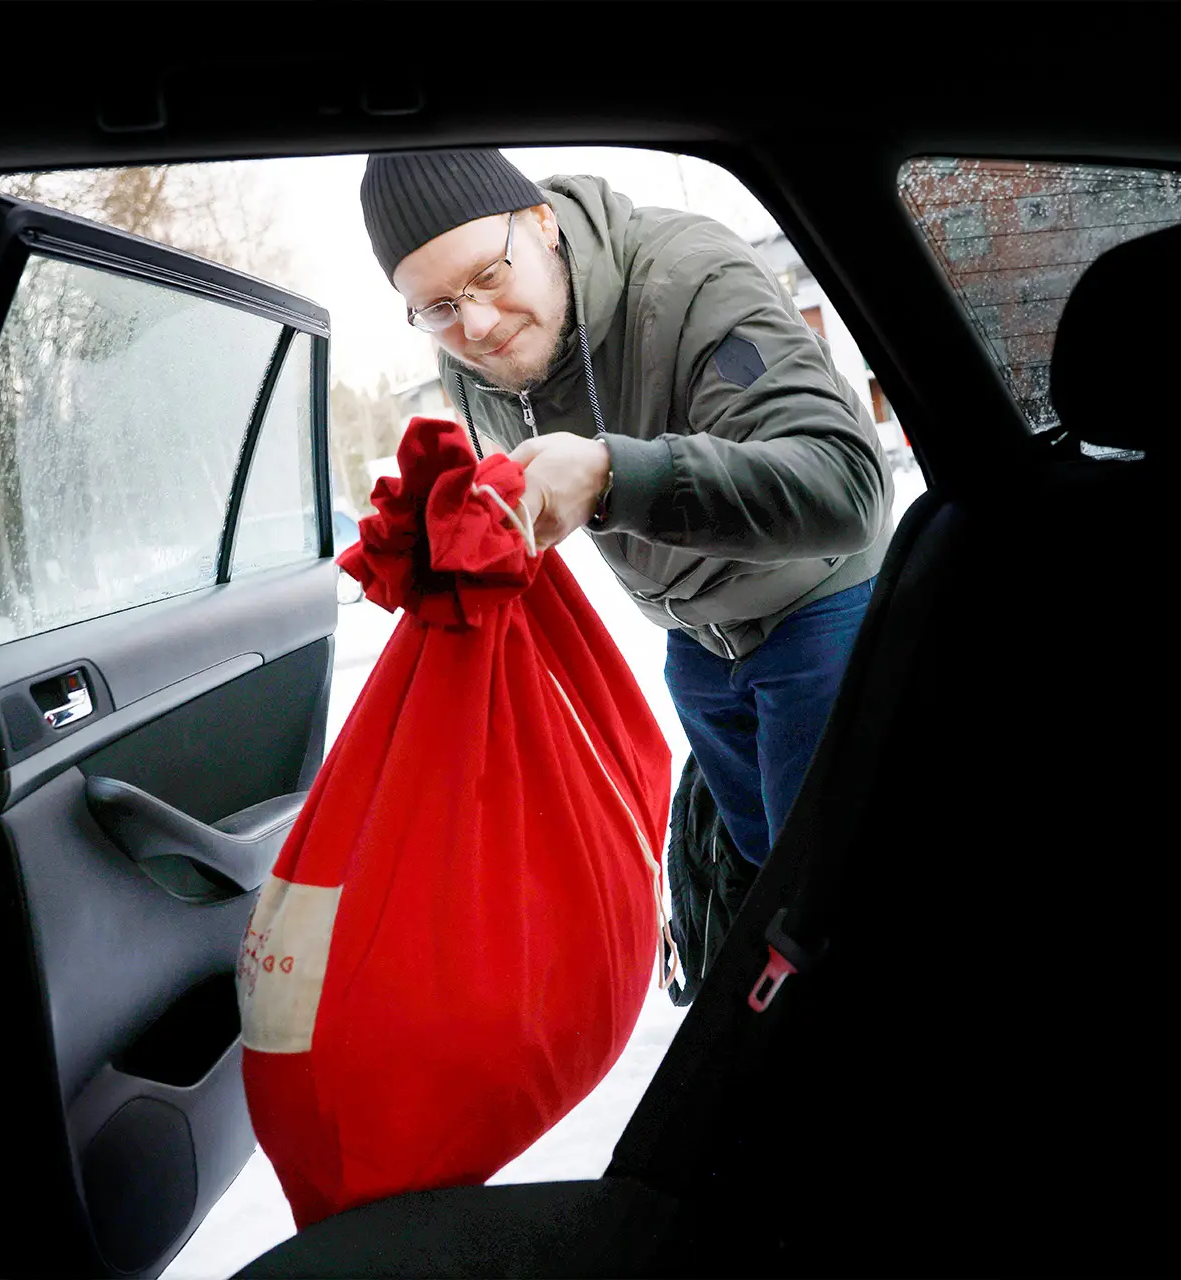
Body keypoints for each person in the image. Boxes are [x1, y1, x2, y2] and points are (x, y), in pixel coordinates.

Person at [360, 148, 891, 869]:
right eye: (439, 307)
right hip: (693, 645)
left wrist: (615, 479)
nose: (477, 326)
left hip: (819, 605)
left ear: (542, 223)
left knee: (829, 893)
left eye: (488, 276)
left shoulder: (690, 278)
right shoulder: (466, 362)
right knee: (759, 868)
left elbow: (845, 483)